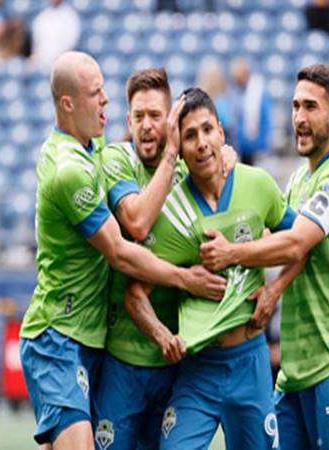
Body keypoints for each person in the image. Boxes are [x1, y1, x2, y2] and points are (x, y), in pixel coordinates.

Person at [18, 51, 221, 450]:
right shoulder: (72, 168)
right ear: (68, 103)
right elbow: (122, 250)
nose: (105, 101)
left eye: (105, 92)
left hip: (92, 338)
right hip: (59, 333)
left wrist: (219, 155)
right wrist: (185, 278)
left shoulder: (88, 147)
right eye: (96, 94)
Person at [200, 63, 329, 449]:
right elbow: (277, 242)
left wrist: (232, 253)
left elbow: (296, 243)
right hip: (295, 370)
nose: (299, 117)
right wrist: (276, 288)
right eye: (296, 106)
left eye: (310, 107)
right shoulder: (299, 180)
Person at [125, 87, 296, 449]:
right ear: (181, 150)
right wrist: (161, 335)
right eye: (190, 136)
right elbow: (135, 294)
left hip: (250, 362)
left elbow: (300, 245)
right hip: (199, 369)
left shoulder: (258, 185)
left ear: (221, 132)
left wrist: (274, 289)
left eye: (207, 130)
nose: (201, 143)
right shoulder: (171, 214)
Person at [92, 68, 230, 450]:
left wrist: (225, 157)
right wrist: (171, 153)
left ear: (168, 119)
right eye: (139, 117)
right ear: (127, 121)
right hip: (122, 358)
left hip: (175, 364)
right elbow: (136, 222)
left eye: (156, 116)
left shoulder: (191, 168)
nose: (147, 126)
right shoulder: (116, 160)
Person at [31, 0, 80, 69]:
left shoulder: (70, 16)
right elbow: (36, 46)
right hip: (42, 63)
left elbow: (71, 45)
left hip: (62, 63)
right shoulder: (42, 17)